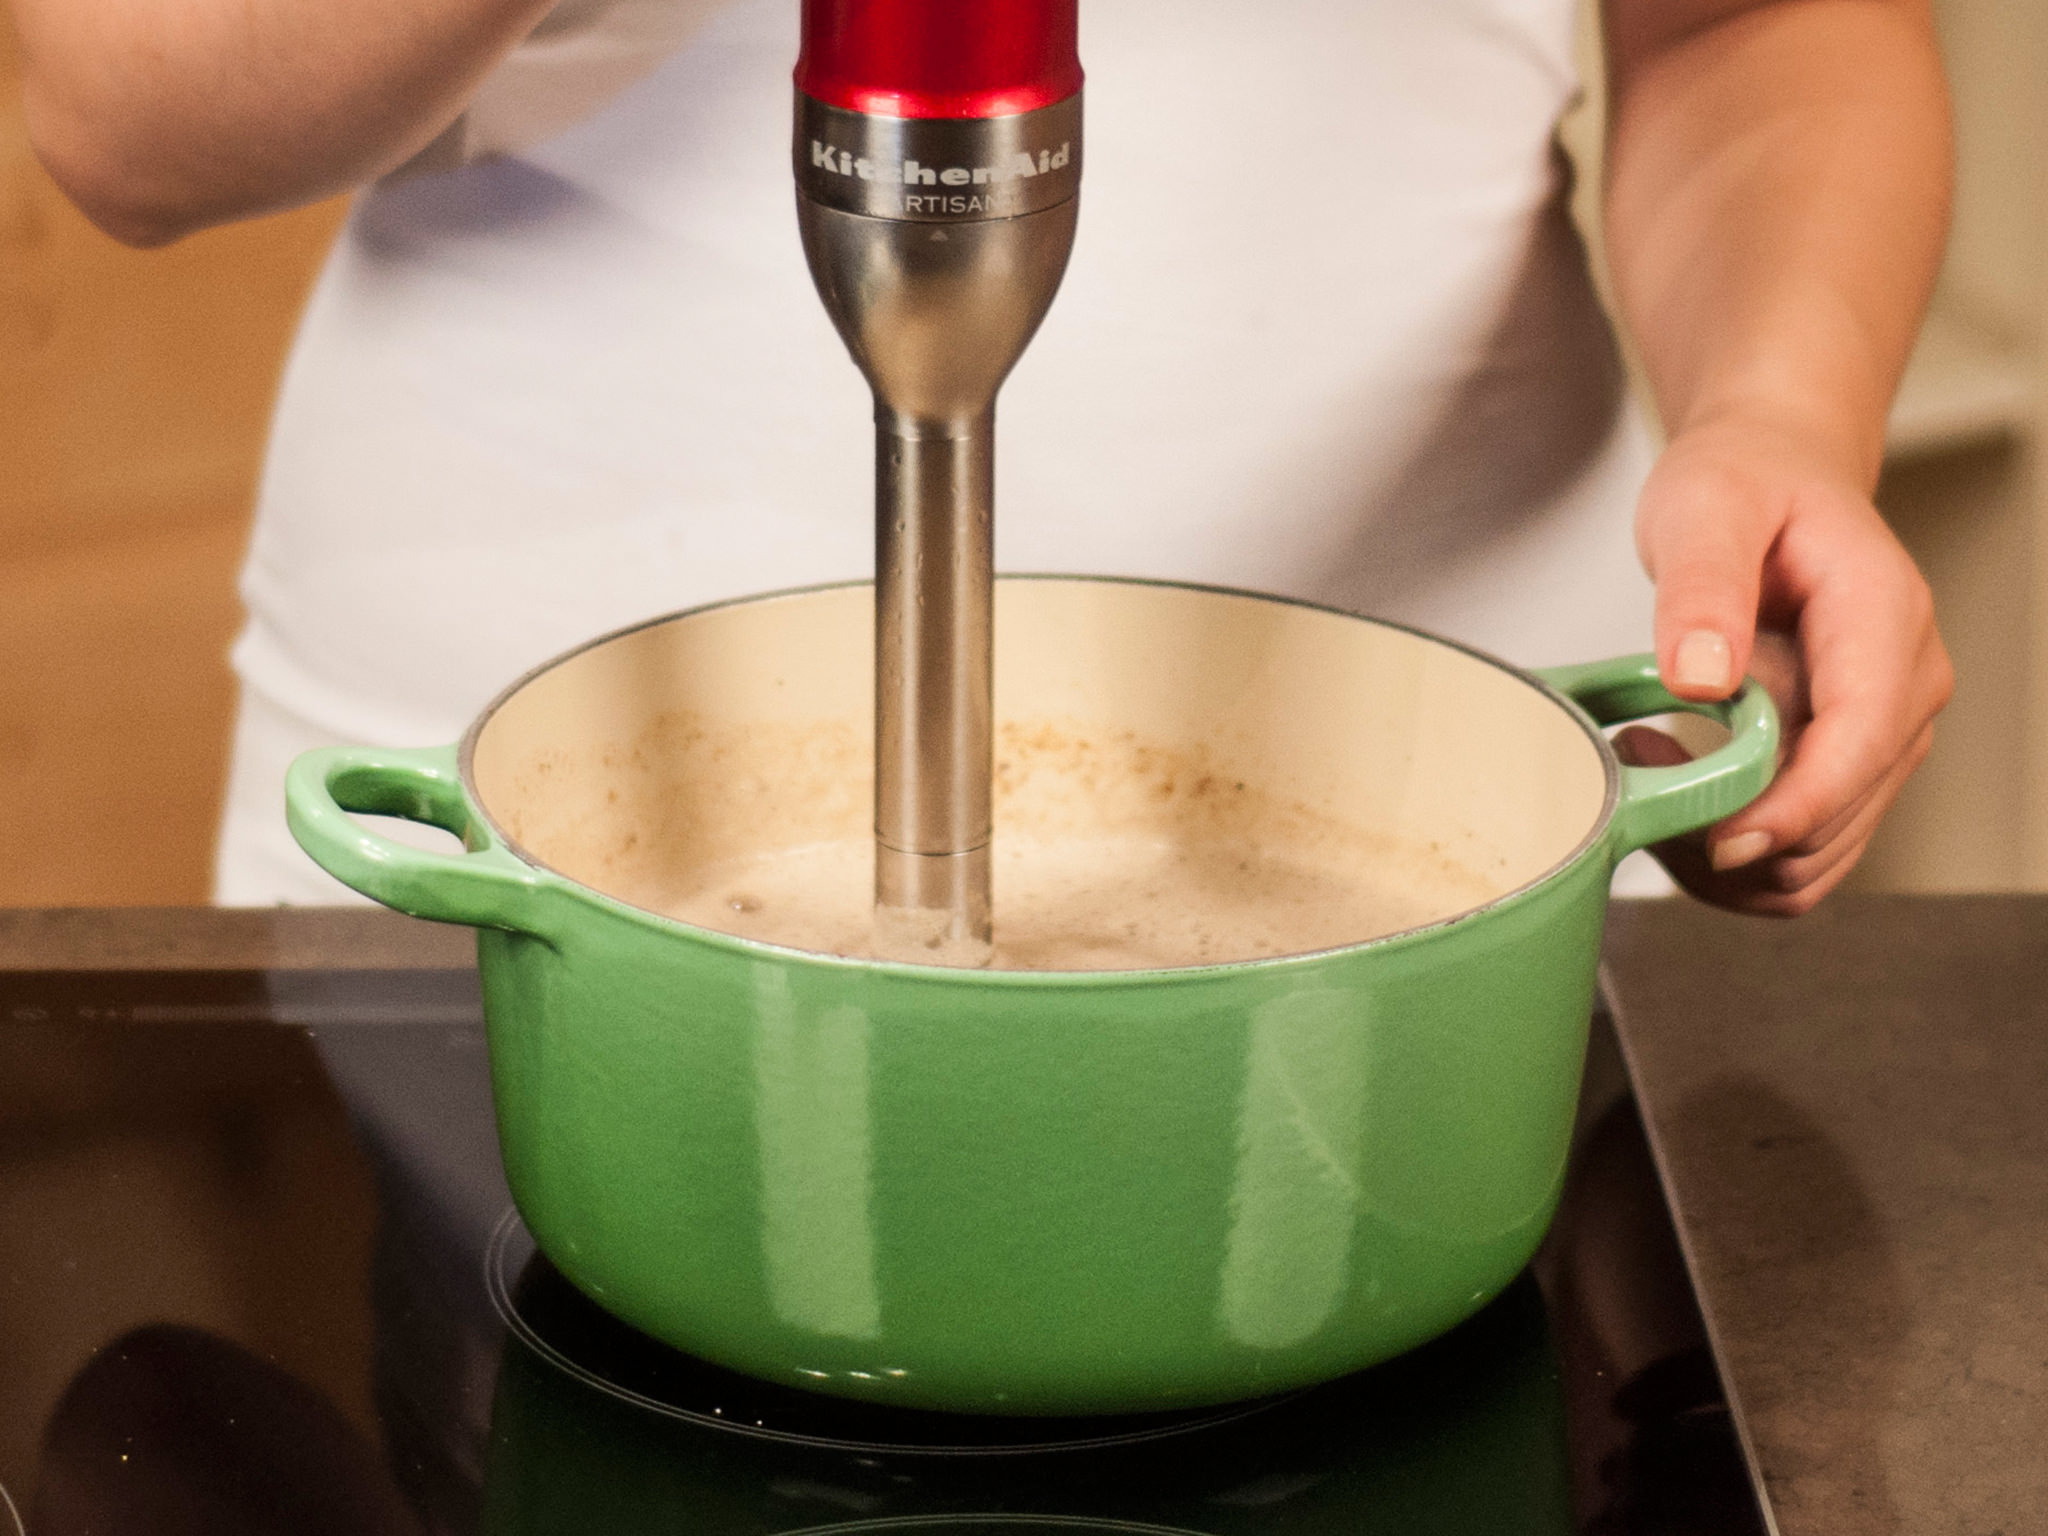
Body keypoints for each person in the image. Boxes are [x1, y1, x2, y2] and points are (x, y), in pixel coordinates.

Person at [13, 0, 1954, 916]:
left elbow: (1761, 22)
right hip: (496, 884)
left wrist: (1777, 410)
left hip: (1445, 865)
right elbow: (125, 101)